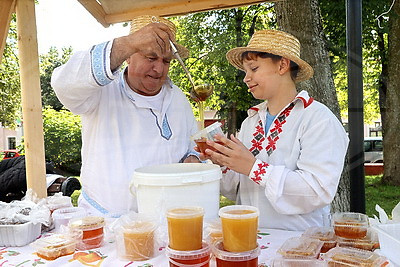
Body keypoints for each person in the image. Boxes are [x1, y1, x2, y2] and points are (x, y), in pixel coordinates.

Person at [51, 15, 200, 217]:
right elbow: (63, 85)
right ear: (128, 55)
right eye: (151, 57)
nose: (159, 69)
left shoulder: (178, 99)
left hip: (165, 221)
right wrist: (128, 42)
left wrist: (192, 157)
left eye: (166, 61)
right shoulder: (101, 91)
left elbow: (192, 143)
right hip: (104, 223)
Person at [201, 29, 349, 230]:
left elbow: (317, 191)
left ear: (282, 65)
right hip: (249, 238)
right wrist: (222, 163)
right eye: (245, 71)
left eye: (253, 68)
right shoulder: (250, 122)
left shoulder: (318, 119)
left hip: (299, 244)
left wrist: (254, 168)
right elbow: (238, 189)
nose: (246, 78)